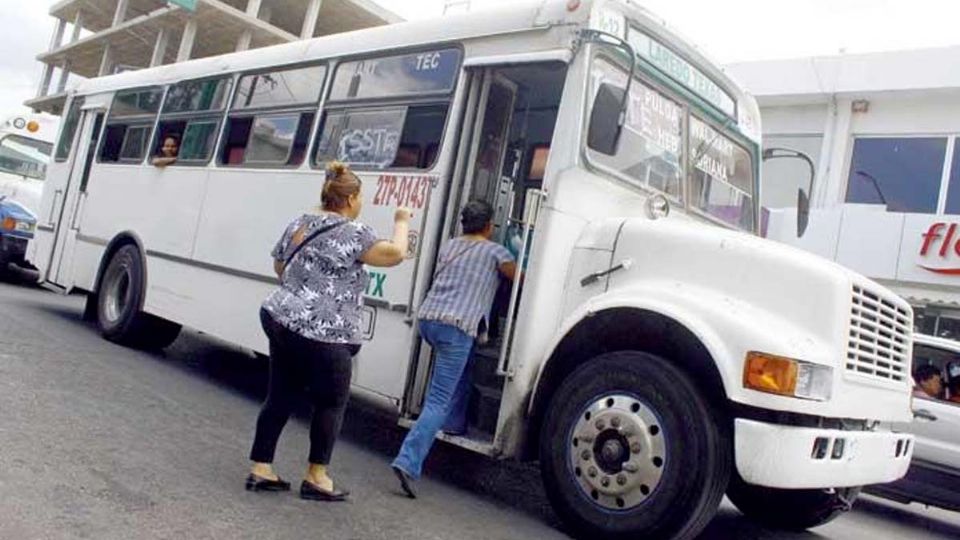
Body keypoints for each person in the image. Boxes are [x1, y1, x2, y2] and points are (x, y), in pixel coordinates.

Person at [247, 161, 411, 502]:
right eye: (360, 196)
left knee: (279, 395)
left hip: (280, 317)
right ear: (350, 199)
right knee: (331, 403)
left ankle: (261, 468)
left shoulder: (301, 222)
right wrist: (402, 221)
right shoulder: (355, 232)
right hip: (326, 332)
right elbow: (395, 254)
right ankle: (317, 476)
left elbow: (280, 264)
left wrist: (303, 291)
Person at [391, 200, 518, 499]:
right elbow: (523, 279)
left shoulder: (449, 246)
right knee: (438, 399)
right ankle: (407, 462)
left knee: (463, 366)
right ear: (489, 226)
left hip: (429, 321)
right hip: (457, 326)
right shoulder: (495, 251)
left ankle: (455, 423)